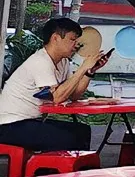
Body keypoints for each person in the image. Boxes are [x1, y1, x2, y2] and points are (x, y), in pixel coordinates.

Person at [0, 17, 103, 151]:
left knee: (82, 131)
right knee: (67, 138)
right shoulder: (40, 61)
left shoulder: (63, 61)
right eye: (72, 39)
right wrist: (82, 68)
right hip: (10, 124)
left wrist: (89, 71)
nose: (76, 45)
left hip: (30, 121)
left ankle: (78, 170)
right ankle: (50, 171)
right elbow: (57, 98)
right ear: (55, 38)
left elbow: (74, 95)